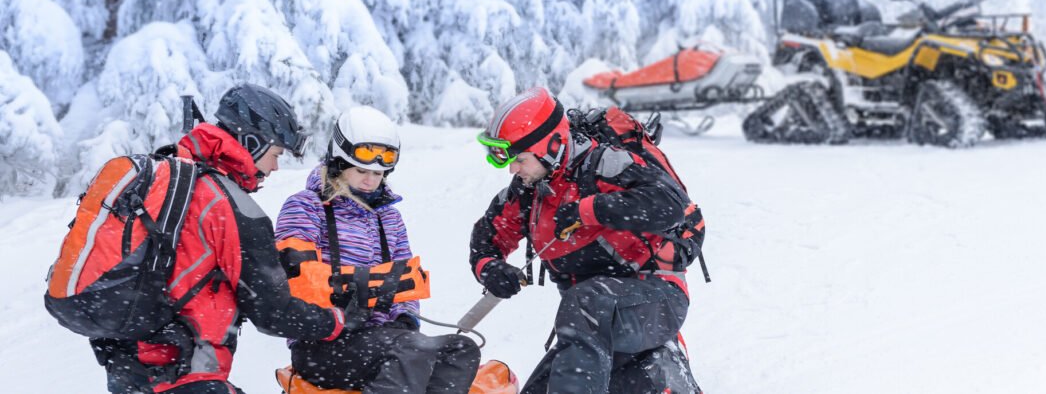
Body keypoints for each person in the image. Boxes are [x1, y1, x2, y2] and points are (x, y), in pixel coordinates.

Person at [93, 84, 352, 394]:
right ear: (252, 143)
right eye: (275, 153)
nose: (275, 166)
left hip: (128, 371)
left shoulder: (171, 178)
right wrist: (336, 320)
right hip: (183, 375)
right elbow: (273, 313)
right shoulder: (230, 206)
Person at [470, 87, 698, 393]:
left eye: (520, 159)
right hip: (587, 322)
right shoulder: (528, 189)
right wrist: (490, 268)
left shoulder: (606, 165)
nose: (513, 168)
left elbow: (671, 205)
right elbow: (487, 235)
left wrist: (590, 209)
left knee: (586, 301)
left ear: (551, 145)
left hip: (655, 300)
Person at [274, 106, 481, 393]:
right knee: (411, 351)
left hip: (384, 338)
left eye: (380, 172)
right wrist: (365, 288)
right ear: (338, 164)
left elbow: (407, 280)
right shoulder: (305, 207)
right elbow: (297, 281)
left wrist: (405, 319)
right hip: (322, 343)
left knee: (460, 349)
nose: (372, 180)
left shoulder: (389, 218)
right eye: (362, 171)